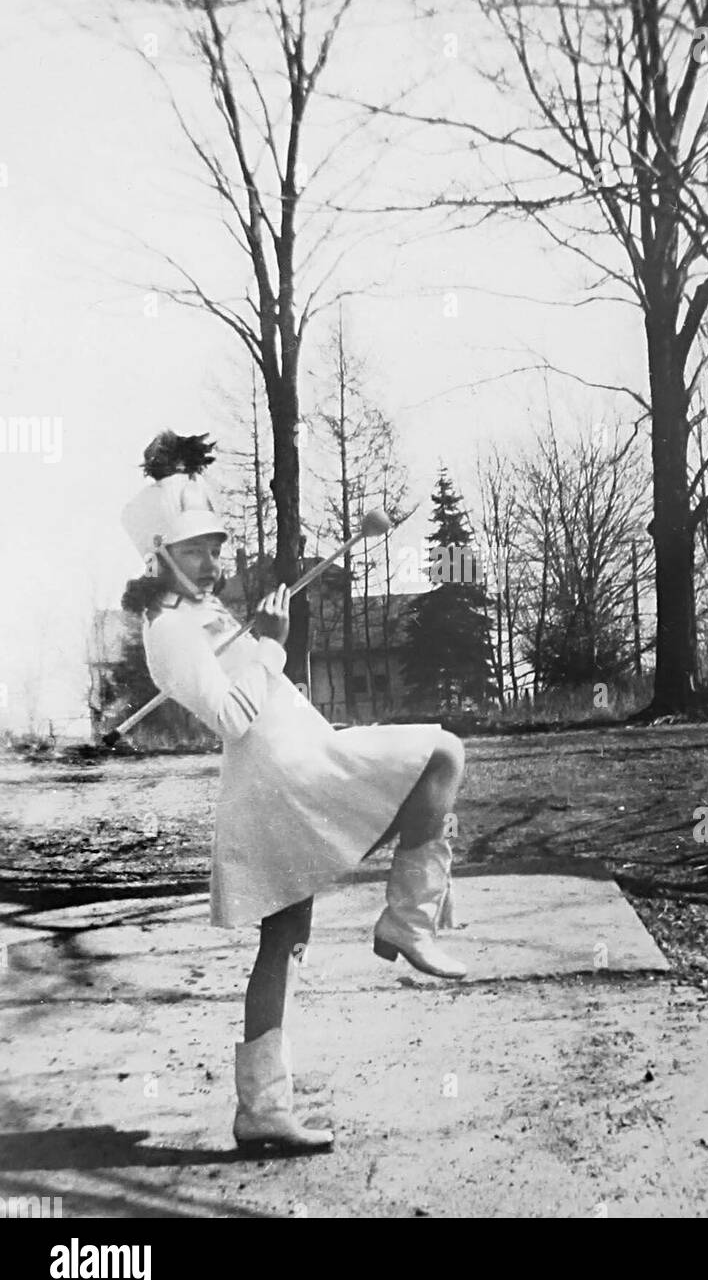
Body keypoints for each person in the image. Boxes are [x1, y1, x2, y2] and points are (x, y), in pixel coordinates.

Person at [120, 431, 466, 1154]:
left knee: (282, 941)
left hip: (296, 768)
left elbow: (263, 689)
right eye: (192, 552)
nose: (211, 562)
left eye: (214, 546)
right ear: (158, 557)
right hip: (282, 784)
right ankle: (408, 919)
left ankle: (261, 1111)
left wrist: (265, 637)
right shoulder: (171, 633)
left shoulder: (206, 619)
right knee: (441, 752)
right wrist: (272, 642)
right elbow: (232, 716)